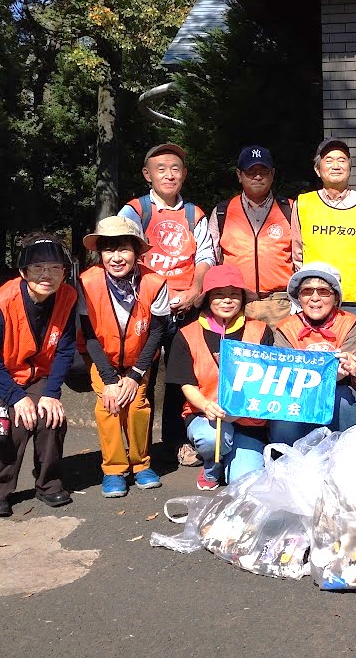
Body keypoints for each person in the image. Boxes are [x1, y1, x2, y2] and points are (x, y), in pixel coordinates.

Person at [0, 233, 78, 517]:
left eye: (55, 268)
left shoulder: (68, 296)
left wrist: (51, 393)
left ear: (65, 272)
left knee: (51, 415)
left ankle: (48, 483)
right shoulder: (3, 300)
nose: (46, 275)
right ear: (24, 272)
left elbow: (65, 349)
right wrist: (15, 397)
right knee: (17, 419)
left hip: (29, 369)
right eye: (38, 268)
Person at [119, 141, 215, 466]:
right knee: (139, 374)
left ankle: (175, 442)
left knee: (178, 377)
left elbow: (205, 255)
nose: (169, 175)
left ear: (184, 174)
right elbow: (120, 256)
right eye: (161, 169)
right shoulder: (134, 211)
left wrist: (197, 290)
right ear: (148, 174)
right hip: (144, 309)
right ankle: (137, 448)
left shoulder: (194, 214)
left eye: (175, 169)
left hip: (184, 308)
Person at [78, 216, 171, 498]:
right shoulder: (86, 282)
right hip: (101, 360)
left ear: (136, 251)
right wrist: (109, 379)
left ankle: (141, 464)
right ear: (100, 253)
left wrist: (134, 376)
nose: (116, 257)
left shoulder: (155, 282)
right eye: (109, 250)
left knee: (137, 404)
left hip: (139, 360)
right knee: (108, 406)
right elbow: (89, 335)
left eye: (124, 249)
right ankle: (113, 469)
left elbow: (157, 333)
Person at [165, 265, 275, 490]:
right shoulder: (187, 334)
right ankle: (210, 465)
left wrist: (238, 412)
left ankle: (230, 461)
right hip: (205, 416)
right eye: (218, 295)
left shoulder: (262, 330)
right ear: (207, 299)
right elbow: (187, 383)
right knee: (211, 438)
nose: (227, 300)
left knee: (244, 482)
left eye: (234, 294)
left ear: (243, 298)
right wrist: (206, 406)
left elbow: (269, 379)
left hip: (248, 420)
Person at [292, 138, 356, 338]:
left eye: (342, 160)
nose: (336, 165)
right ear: (318, 169)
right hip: (315, 304)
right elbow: (298, 255)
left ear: (350, 168)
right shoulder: (303, 204)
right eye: (329, 160)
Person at [271, 262, 356, 445]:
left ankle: (342, 456)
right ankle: (286, 461)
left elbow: (350, 366)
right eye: (307, 291)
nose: (314, 298)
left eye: (323, 292)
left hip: (337, 389)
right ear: (299, 297)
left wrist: (347, 368)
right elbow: (284, 374)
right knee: (283, 412)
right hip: (295, 392)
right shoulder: (286, 327)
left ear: (336, 297)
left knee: (343, 400)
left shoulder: (350, 323)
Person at [208, 145, 295, 326]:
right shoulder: (222, 212)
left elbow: (302, 257)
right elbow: (212, 259)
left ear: (272, 174)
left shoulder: (291, 209)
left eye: (263, 171)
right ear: (239, 175)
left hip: (281, 304)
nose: (257, 176)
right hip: (238, 305)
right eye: (251, 171)